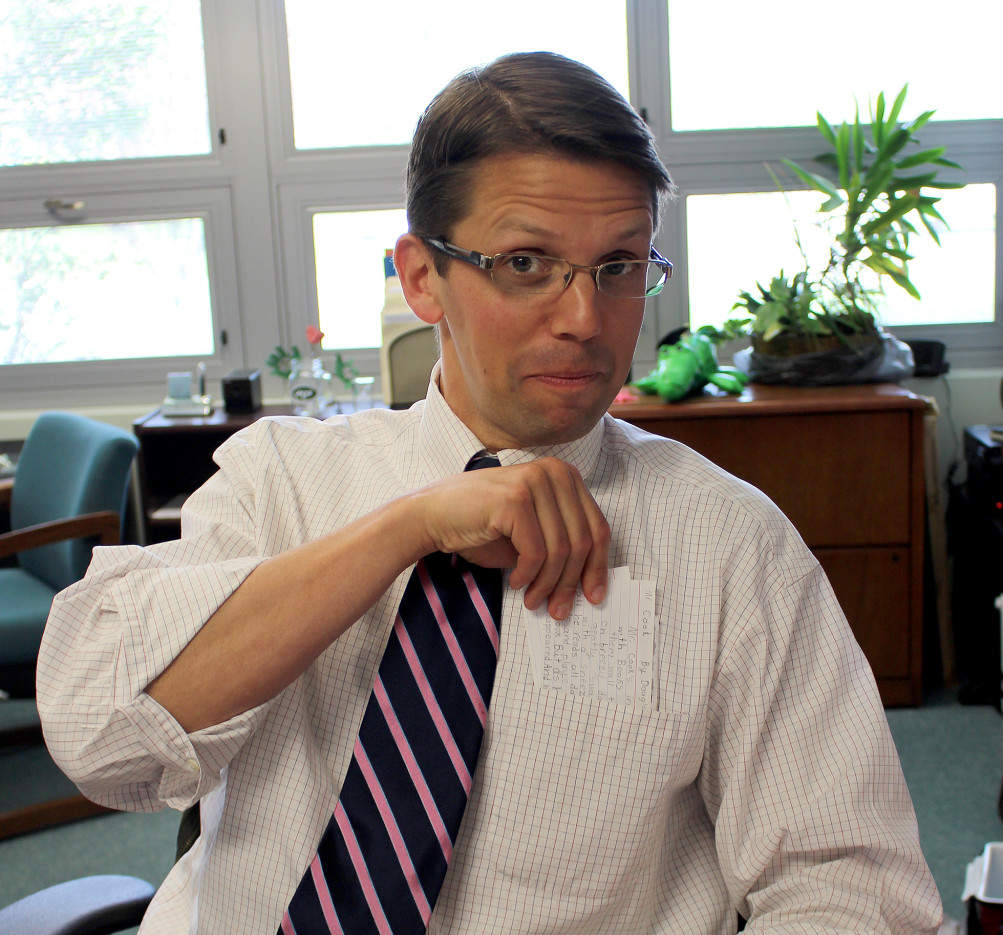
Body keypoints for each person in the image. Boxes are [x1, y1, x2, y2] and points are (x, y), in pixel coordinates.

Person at [38, 52, 943, 934]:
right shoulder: (283, 480)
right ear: (423, 275)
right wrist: (411, 526)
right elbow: (100, 739)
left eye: (620, 265)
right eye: (525, 262)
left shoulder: (727, 543)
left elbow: (853, 884)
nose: (585, 318)